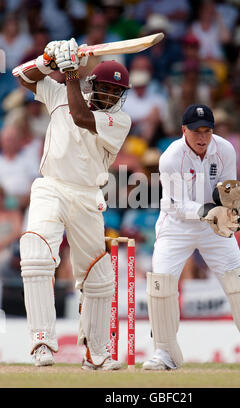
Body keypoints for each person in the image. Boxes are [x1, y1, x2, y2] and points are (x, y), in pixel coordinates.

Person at [13, 38, 131, 369]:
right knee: (36, 254)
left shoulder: (119, 121)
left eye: (116, 93)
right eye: (105, 88)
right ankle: (41, 343)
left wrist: (69, 73)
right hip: (51, 186)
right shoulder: (63, 93)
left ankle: (97, 353)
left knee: (98, 276)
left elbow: (79, 115)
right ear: (94, 84)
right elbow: (21, 75)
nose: (109, 96)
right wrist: (48, 59)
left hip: (87, 195)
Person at [143, 104, 240, 372]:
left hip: (214, 226)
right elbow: (179, 205)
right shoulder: (170, 157)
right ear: (184, 130)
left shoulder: (225, 149)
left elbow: (226, 190)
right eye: (196, 131)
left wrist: (230, 210)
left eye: (207, 131)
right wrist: (210, 211)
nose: (202, 137)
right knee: (162, 283)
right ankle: (165, 352)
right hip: (176, 226)